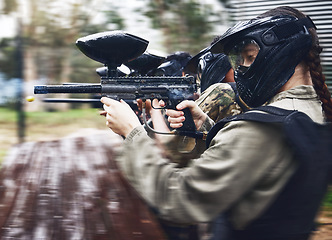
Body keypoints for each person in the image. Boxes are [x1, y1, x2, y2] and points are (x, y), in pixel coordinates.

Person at [101, 6, 332, 239]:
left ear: (283, 52)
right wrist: (207, 128)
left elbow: (179, 198)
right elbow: (261, 168)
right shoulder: (315, 111)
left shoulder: (263, 128)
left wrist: (132, 132)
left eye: (250, 57)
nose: (242, 68)